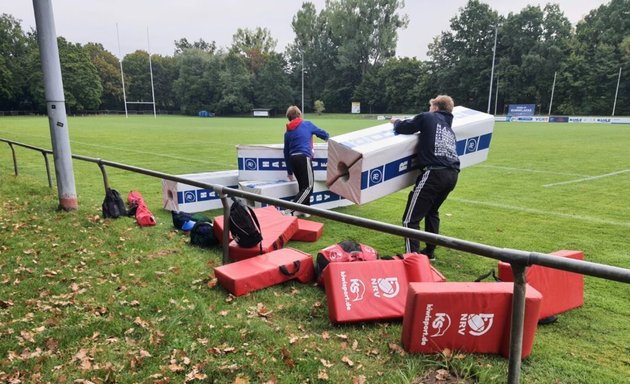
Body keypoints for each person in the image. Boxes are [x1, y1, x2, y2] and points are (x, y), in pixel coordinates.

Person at [391, 95, 460, 260]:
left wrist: (395, 122)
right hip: (452, 174)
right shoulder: (448, 128)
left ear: (435, 107)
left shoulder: (428, 117)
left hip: (434, 173)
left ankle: (413, 260)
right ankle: (429, 253)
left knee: (410, 220)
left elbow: (405, 127)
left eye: (431, 107)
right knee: (431, 212)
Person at [283, 105, 330, 217]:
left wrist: (289, 172)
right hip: (304, 157)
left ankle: (306, 210)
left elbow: (285, 152)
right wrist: (329, 138)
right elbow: (322, 133)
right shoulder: (306, 124)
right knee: (308, 187)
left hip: (293, 159)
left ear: (289, 118)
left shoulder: (287, 132)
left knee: (302, 186)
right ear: (299, 115)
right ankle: (289, 210)